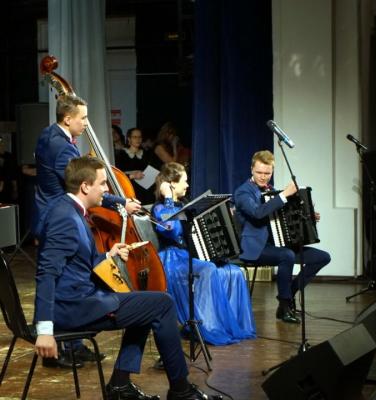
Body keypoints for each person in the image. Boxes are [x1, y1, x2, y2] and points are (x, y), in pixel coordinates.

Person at [34, 156, 223, 400]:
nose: (106, 190)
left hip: (78, 299)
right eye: (102, 184)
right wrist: (45, 329)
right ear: (85, 186)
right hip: (74, 307)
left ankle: (121, 385)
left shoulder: (70, 210)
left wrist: (107, 255)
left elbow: (77, 261)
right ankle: (181, 391)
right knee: (163, 303)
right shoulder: (65, 217)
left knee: (147, 305)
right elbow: (47, 273)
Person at [33, 93, 141, 368]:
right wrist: (121, 202)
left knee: (72, 275)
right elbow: (80, 185)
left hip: (49, 212)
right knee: (73, 277)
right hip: (60, 217)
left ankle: (73, 345)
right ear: (67, 119)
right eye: (83, 118)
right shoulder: (63, 150)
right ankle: (65, 344)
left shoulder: (48, 135)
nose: (86, 124)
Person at [152, 162, 256, 346]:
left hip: (188, 256)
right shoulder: (160, 208)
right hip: (171, 259)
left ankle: (227, 325)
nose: (188, 185)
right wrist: (168, 198)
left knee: (234, 272)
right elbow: (172, 231)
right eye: (184, 181)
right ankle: (206, 326)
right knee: (208, 270)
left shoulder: (185, 204)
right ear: (171, 184)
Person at [234, 150, 331, 323]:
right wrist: (284, 195)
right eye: (259, 173)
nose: (263, 177)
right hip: (255, 248)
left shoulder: (271, 191)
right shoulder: (243, 193)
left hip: (278, 245)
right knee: (286, 255)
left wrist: (309, 215)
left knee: (322, 257)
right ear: (251, 170)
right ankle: (285, 306)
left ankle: (289, 296)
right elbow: (257, 213)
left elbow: (285, 215)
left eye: (267, 173)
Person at [115, 127, 155, 205]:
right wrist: (132, 175)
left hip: (145, 189)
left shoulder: (146, 153)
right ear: (129, 139)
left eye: (139, 137)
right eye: (135, 137)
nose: (138, 139)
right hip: (129, 187)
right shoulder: (121, 154)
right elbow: (117, 174)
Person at [0, 136, 18, 204]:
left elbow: (13, 174)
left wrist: (15, 189)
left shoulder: (9, 157)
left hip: (7, 188)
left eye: (1, 143)